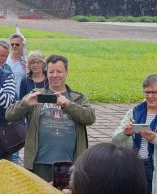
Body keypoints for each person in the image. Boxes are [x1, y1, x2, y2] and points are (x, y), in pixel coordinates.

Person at [5, 54, 95, 182]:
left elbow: (90, 117)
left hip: (69, 164)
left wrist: (68, 105)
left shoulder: (77, 98)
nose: (55, 75)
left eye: (59, 71)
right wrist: (26, 103)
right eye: (51, 71)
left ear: (66, 73)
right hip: (39, 163)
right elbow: (9, 115)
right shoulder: (36, 94)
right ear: (46, 73)